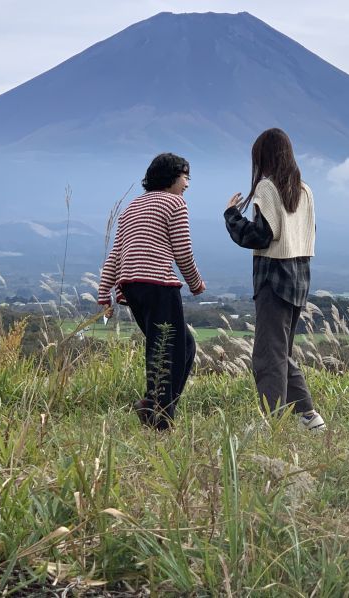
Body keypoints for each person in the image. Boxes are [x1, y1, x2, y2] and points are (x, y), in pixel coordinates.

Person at [223, 128, 326, 431]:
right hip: (299, 277)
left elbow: (261, 236)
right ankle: (309, 417)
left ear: (263, 157)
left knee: (267, 355)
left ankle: (273, 422)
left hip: (273, 277)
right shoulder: (305, 189)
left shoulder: (268, 187)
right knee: (280, 351)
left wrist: (232, 215)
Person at [99, 153, 206, 430]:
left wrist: (104, 292)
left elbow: (116, 254)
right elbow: (183, 251)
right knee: (165, 350)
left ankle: (158, 407)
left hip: (132, 288)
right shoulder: (175, 203)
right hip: (159, 285)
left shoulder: (133, 207)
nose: (187, 184)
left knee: (181, 346)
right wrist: (195, 284)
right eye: (185, 177)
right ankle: (158, 416)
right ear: (170, 177)